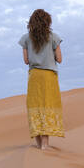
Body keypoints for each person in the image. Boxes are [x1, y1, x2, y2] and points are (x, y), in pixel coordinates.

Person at [18, 9, 65, 150]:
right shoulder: (54, 37)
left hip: (34, 76)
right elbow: (60, 59)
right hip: (49, 76)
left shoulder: (25, 38)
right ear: (47, 22)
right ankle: (45, 144)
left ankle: (39, 144)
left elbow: (26, 61)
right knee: (47, 105)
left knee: (35, 106)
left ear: (31, 22)